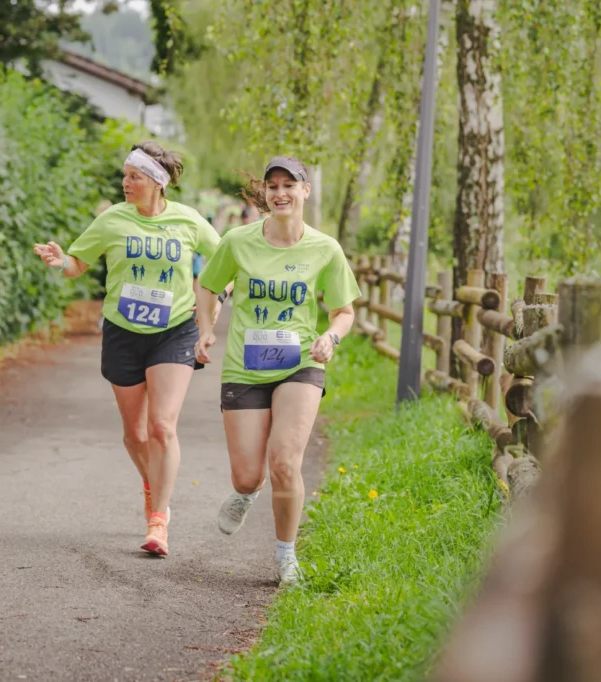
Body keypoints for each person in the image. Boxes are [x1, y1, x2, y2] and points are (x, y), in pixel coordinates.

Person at [33, 141, 224, 557]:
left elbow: (225, 262)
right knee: (135, 435)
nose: (125, 183)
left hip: (174, 330)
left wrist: (214, 306)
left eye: (134, 176)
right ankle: (154, 484)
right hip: (122, 331)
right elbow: (76, 266)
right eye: (124, 175)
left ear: (157, 181)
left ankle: (158, 519)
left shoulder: (189, 221)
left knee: (162, 426)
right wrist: (59, 259)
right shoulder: (112, 220)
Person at [194, 156, 359, 585]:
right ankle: (246, 494)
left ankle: (287, 558)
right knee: (248, 475)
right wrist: (207, 328)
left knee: (285, 462)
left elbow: (344, 311)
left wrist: (331, 337)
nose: (280, 193)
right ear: (264, 194)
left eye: (290, 184)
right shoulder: (238, 240)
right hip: (245, 367)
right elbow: (207, 284)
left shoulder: (325, 248)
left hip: (300, 364)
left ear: (306, 190)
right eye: (273, 186)